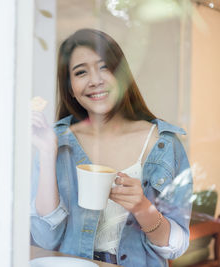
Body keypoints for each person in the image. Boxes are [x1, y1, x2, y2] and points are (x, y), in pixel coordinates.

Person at [30, 28, 192, 266]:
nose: (95, 80)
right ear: (71, 88)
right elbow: (45, 239)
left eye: (104, 67)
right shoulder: (57, 141)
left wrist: (142, 208)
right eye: (81, 72)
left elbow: (176, 247)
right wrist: (46, 152)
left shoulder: (164, 143)